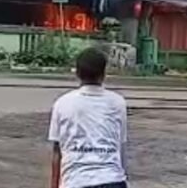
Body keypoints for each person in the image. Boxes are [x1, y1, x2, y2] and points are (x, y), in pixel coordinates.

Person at [48, 48, 128, 188]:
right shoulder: (118, 103)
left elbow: (57, 152)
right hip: (112, 179)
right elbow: (120, 147)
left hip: (76, 181)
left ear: (77, 73)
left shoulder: (62, 103)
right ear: (104, 73)